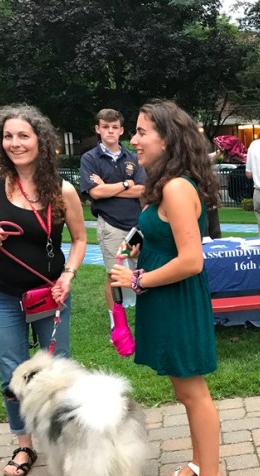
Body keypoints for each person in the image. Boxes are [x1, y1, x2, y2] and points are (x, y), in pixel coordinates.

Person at [110, 100, 226, 476]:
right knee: (182, 388)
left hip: (177, 299)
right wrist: (138, 242)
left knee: (194, 392)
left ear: (167, 138)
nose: (133, 139)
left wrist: (137, 278)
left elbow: (192, 260)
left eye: (142, 132)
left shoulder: (177, 187)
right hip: (162, 299)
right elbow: (162, 235)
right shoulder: (164, 183)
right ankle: (200, 462)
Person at [0, 104, 87, 476]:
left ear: (40, 140)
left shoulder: (61, 189)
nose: (15, 143)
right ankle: (25, 445)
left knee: (57, 372)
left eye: (23, 135)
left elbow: (81, 239)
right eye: (8, 136)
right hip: (1, 293)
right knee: (11, 371)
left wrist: (68, 275)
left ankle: (65, 443)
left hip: (49, 294)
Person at [80, 109, 146, 327]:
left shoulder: (133, 157)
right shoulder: (90, 158)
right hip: (110, 225)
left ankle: (147, 317)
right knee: (114, 275)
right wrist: (127, 184)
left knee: (143, 270)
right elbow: (95, 193)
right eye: (105, 127)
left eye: (114, 127)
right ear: (97, 129)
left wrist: (108, 187)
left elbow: (142, 190)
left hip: (136, 225)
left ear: (121, 130)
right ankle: (116, 322)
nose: (110, 131)